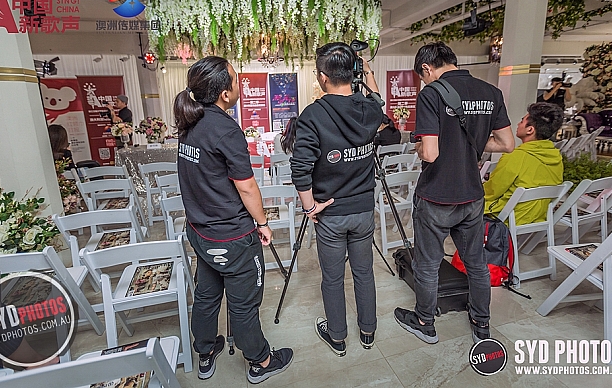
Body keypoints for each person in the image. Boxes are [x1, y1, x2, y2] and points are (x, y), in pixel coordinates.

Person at [173, 56, 292, 384]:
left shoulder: (190, 122)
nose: (240, 85)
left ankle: (205, 352)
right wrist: (263, 223)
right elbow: (247, 186)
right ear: (225, 94)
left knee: (207, 294)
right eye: (237, 80)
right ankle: (260, 360)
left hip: (200, 231)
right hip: (232, 237)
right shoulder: (225, 129)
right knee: (243, 303)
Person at [394, 42, 515, 345]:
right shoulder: (491, 92)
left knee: (428, 264)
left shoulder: (431, 94)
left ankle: (425, 321)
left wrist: (419, 146)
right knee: (476, 262)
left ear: (426, 68)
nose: (424, 81)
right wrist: (472, 143)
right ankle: (481, 323)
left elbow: (430, 153)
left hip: (437, 195)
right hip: (472, 194)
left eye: (422, 76)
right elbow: (507, 144)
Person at [291, 43, 383, 357]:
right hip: (363, 209)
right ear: (353, 72)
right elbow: (377, 99)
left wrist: (309, 207)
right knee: (364, 273)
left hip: (330, 212)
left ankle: (338, 337)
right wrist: (367, 70)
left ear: (322, 77)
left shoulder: (313, 114)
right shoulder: (370, 109)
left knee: (332, 278)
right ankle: (368, 332)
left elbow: (300, 167)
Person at [484, 102, 564, 225]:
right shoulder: (556, 157)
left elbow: (491, 192)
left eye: (522, 121)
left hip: (508, 219)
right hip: (538, 219)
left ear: (530, 130)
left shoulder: (515, 156)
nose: (518, 124)